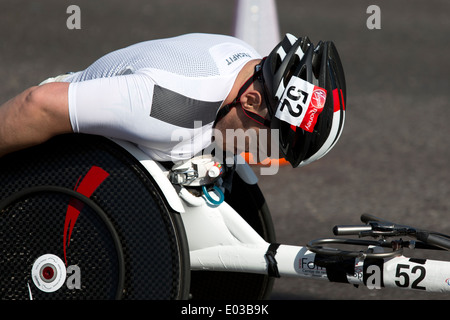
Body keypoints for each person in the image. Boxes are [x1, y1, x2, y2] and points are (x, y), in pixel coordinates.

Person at [0, 33, 346, 169]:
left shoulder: (249, 62)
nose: (264, 157)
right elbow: (39, 105)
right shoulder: (172, 106)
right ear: (252, 100)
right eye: (273, 141)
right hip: (56, 150)